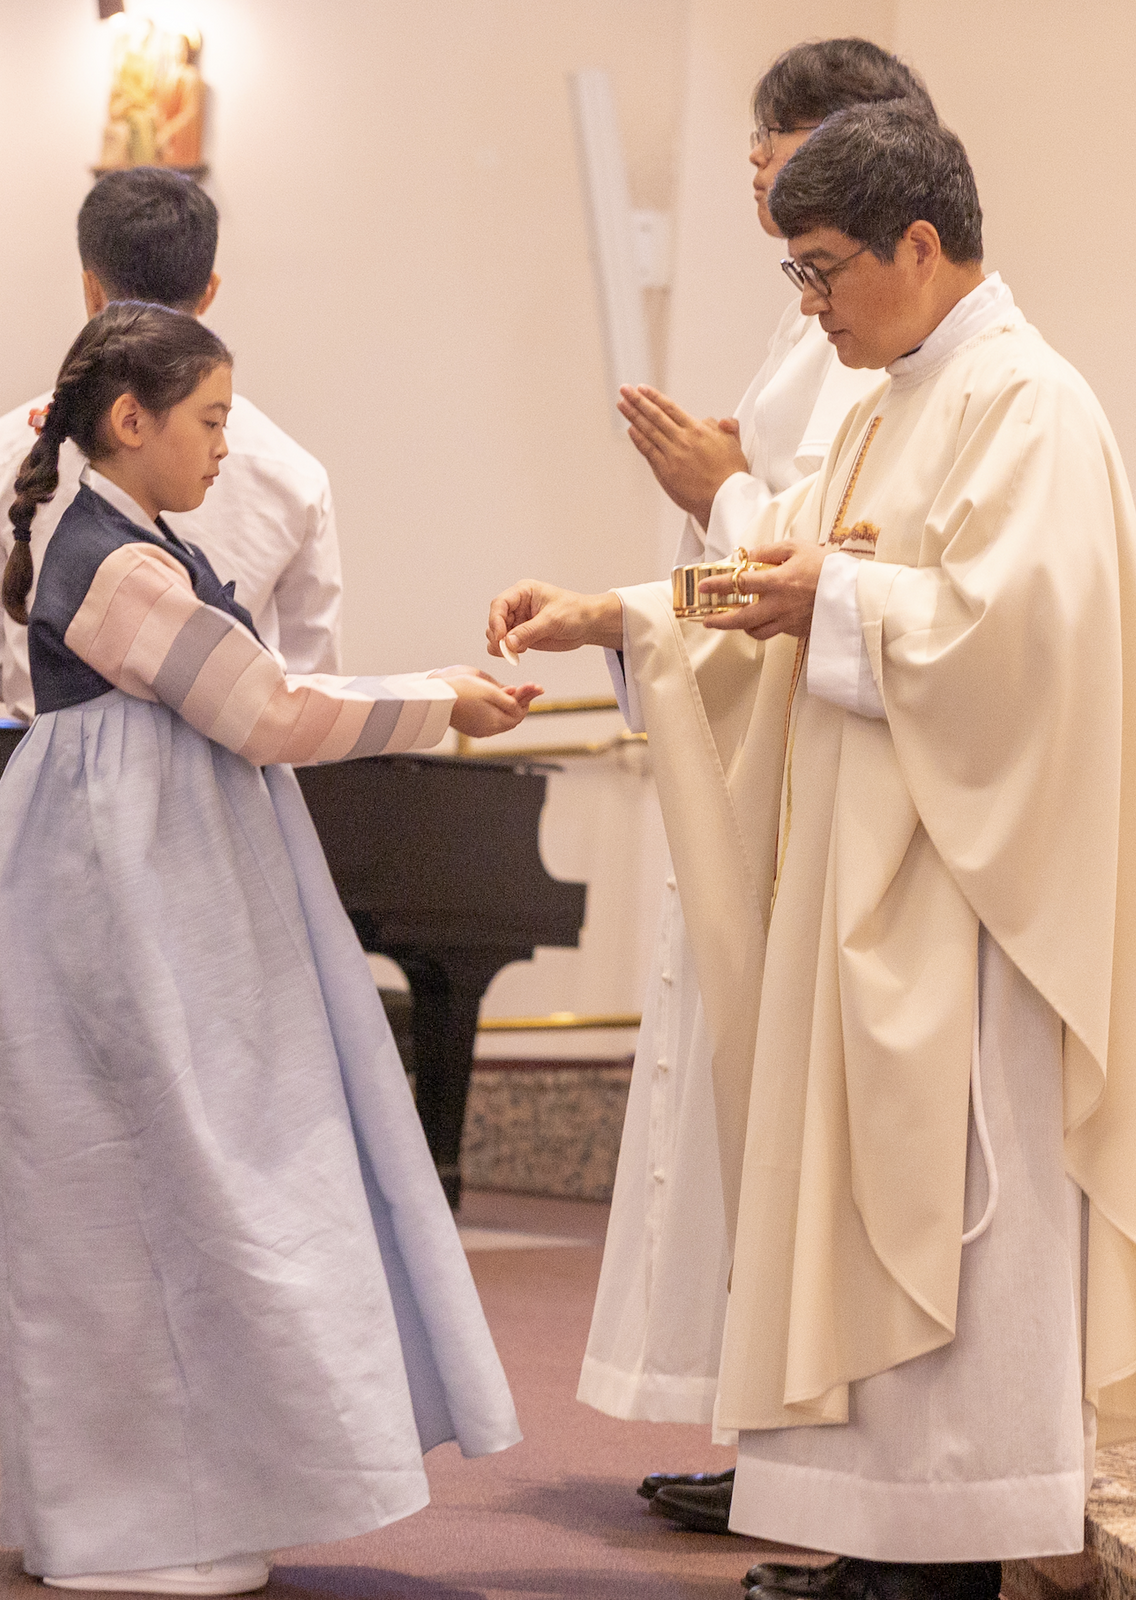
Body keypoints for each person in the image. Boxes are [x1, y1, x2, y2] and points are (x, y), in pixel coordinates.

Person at [490, 103, 1136, 1600]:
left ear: (922, 245)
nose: (810, 306)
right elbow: (788, 549)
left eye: (824, 269)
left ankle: (958, 1539)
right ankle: (882, 1532)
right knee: (859, 1207)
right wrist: (622, 613)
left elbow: (1025, 636)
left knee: (957, 1221)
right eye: (796, 273)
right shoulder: (889, 403)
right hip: (869, 884)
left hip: (972, 911)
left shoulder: (1031, 405)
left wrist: (835, 607)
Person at [0, 301, 530, 1594]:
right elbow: (265, 709)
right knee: (150, 1188)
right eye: (212, 418)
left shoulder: (139, 540)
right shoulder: (113, 564)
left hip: (157, 885)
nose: (227, 445)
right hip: (124, 906)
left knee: (179, 1183)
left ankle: (177, 1495)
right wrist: (438, 701)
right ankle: (131, 1516)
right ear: (133, 420)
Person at [580, 39, 929, 1540]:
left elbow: (849, 556)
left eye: (777, 146)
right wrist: (637, 605)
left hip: (842, 792)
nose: (755, 172)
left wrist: (718, 492)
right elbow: (795, 533)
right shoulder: (826, 336)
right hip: (765, 748)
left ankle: (814, 1459)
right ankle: (768, 1432)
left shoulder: (958, 378)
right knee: (749, 1127)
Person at [0, 165, 342, 1239]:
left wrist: (76, 700)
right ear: (210, 290)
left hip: (62, 794)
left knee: (66, 1093)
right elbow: (304, 665)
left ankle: (82, 1367)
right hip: (223, 810)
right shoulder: (292, 470)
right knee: (221, 1096)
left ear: (84, 282)